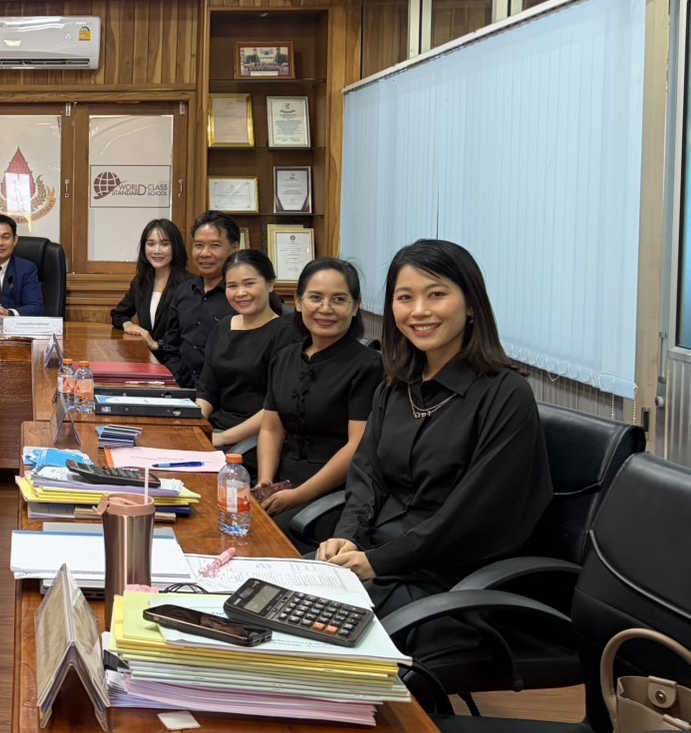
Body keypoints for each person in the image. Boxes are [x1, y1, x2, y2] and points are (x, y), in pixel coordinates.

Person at [317, 239, 551, 631]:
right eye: (405, 297)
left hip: (448, 582)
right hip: (377, 559)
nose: (419, 311)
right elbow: (366, 477)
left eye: (437, 295)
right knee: (262, 597)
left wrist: (378, 561)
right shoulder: (394, 388)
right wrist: (348, 537)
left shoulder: (506, 394)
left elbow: (470, 516)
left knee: (309, 628)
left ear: (471, 304)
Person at [255, 258, 383, 539]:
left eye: (339, 299)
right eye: (315, 297)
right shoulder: (285, 357)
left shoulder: (368, 366)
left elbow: (357, 447)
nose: (325, 309)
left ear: (355, 306)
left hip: (333, 496)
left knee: (259, 538)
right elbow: (271, 427)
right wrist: (265, 482)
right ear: (299, 302)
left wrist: (299, 495)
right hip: (282, 485)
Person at [197, 250, 292, 472]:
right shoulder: (223, 326)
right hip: (216, 430)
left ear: (270, 284)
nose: (241, 293)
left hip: (257, 440)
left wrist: (222, 438)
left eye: (249, 284)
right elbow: (206, 391)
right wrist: (196, 425)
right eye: (232, 286)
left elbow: (277, 407)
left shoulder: (286, 333)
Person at [109, 218, 201, 384]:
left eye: (164, 244)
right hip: (145, 365)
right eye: (151, 244)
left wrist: (157, 344)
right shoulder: (141, 282)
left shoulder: (190, 285)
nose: (156, 250)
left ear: (175, 248)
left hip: (179, 370)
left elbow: (190, 338)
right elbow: (119, 314)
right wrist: (130, 326)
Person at [178, 212, 242, 376]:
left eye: (215, 245)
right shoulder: (183, 291)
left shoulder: (243, 297)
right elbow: (171, 347)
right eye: (198, 245)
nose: (204, 253)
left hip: (223, 394)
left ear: (234, 249)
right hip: (181, 389)